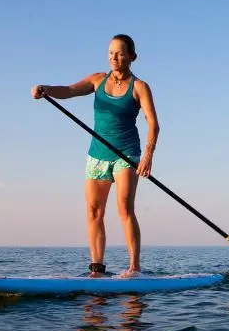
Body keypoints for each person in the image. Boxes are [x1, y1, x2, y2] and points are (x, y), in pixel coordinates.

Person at [31, 34, 159, 277]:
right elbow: (69, 91)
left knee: (124, 209)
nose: (114, 57)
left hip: (126, 154)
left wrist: (147, 157)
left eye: (120, 53)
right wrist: (46, 89)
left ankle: (134, 267)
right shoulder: (98, 80)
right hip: (97, 154)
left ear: (132, 57)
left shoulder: (140, 87)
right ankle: (97, 268)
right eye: (111, 52)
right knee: (93, 211)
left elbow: (153, 124)